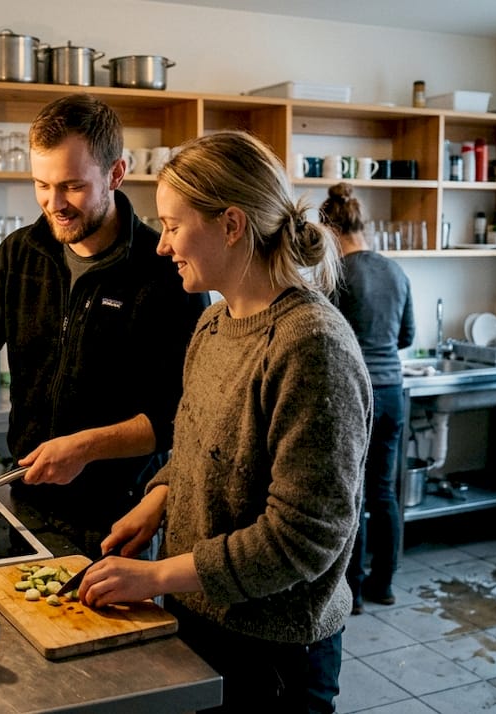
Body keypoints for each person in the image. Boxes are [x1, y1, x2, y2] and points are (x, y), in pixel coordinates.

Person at [75, 131, 370, 713]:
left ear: (232, 225)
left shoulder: (310, 346)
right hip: (201, 619)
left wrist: (156, 577)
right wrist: (157, 501)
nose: (162, 247)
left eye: (173, 226)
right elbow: (193, 449)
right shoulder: (212, 328)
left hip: (276, 652)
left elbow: (302, 539)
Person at [0, 94, 208, 554]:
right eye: (41, 184)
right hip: (28, 503)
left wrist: (85, 447)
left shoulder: (166, 271)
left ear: (116, 174)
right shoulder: (22, 253)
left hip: (121, 520)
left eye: (72, 186)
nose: (53, 203)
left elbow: (177, 417)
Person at [319, 183, 415, 615]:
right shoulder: (396, 271)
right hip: (393, 392)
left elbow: (322, 336)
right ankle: (385, 584)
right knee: (383, 491)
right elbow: (407, 336)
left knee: (350, 493)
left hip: (355, 395)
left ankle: (352, 592)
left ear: (330, 232)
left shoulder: (338, 273)